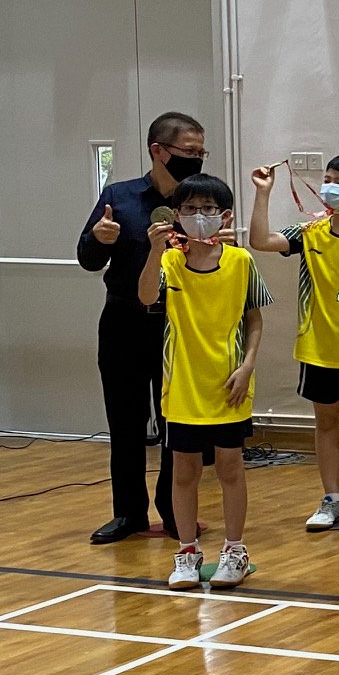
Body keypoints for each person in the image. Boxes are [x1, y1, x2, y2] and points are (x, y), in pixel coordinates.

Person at [75, 110, 207, 544]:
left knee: (176, 421)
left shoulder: (200, 202)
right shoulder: (120, 196)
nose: (197, 159)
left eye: (201, 152)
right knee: (125, 421)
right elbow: (88, 259)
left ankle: (174, 512)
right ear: (158, 151)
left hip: (179, 324)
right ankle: (128, 513)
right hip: (123, 323)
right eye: (189, 152)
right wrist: (99, 237)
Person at [135, 174, 271, 592]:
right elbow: (144, 297)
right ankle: (188, 551)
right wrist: (155, 251)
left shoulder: (241, 262)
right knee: (184, 471)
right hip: (182, 388)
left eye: (208, 210)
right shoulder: (169, 262)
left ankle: (234, 550)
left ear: (224, 216)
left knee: (231, 469)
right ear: (175, 216)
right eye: (190, 209)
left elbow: (254, 320)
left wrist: (247, 366)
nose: (199, 216)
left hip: (229, 383)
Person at [249, 151, 339, 532]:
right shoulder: (310, 233)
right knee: (326, 423)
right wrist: (263, 192)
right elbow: (260, 240)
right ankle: (331, 499)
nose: (331, 188)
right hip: (318, 349)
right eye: (329, 179)